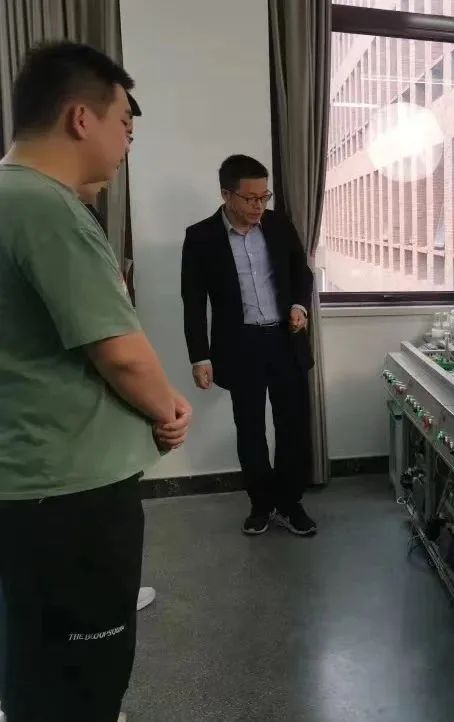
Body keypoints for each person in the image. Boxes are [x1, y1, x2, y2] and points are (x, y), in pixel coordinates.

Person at [0, 41, 190, 722]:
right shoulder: (47, 208)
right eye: (123, 125)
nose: (126, 144)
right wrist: (169, 409)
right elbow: (121, 353)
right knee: (84, 671)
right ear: (82, 119)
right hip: (69, 489)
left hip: (26, 480)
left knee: (33, 655)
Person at [181, 154, 317, 537]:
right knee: (250, 429)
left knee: (292, 426)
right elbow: (193, 301)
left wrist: (298, 306)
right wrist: (200, 356)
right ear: (226, 195)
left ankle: (290, 504)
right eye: (251, 198)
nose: (259, 206)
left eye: (264, 196)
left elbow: (301, 272)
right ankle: (261, 505)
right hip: (240, 346)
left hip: (284, 340)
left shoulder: (278, 225)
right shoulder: (201, 237)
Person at [76, 178, 156, 614]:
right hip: (79, 413)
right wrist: (166, 409)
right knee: (99, 511)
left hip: (89, 410)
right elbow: (120, 355)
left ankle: (112, 589)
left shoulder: (75, 213)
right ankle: (107, 596)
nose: (112, 172)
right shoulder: (57, 217)